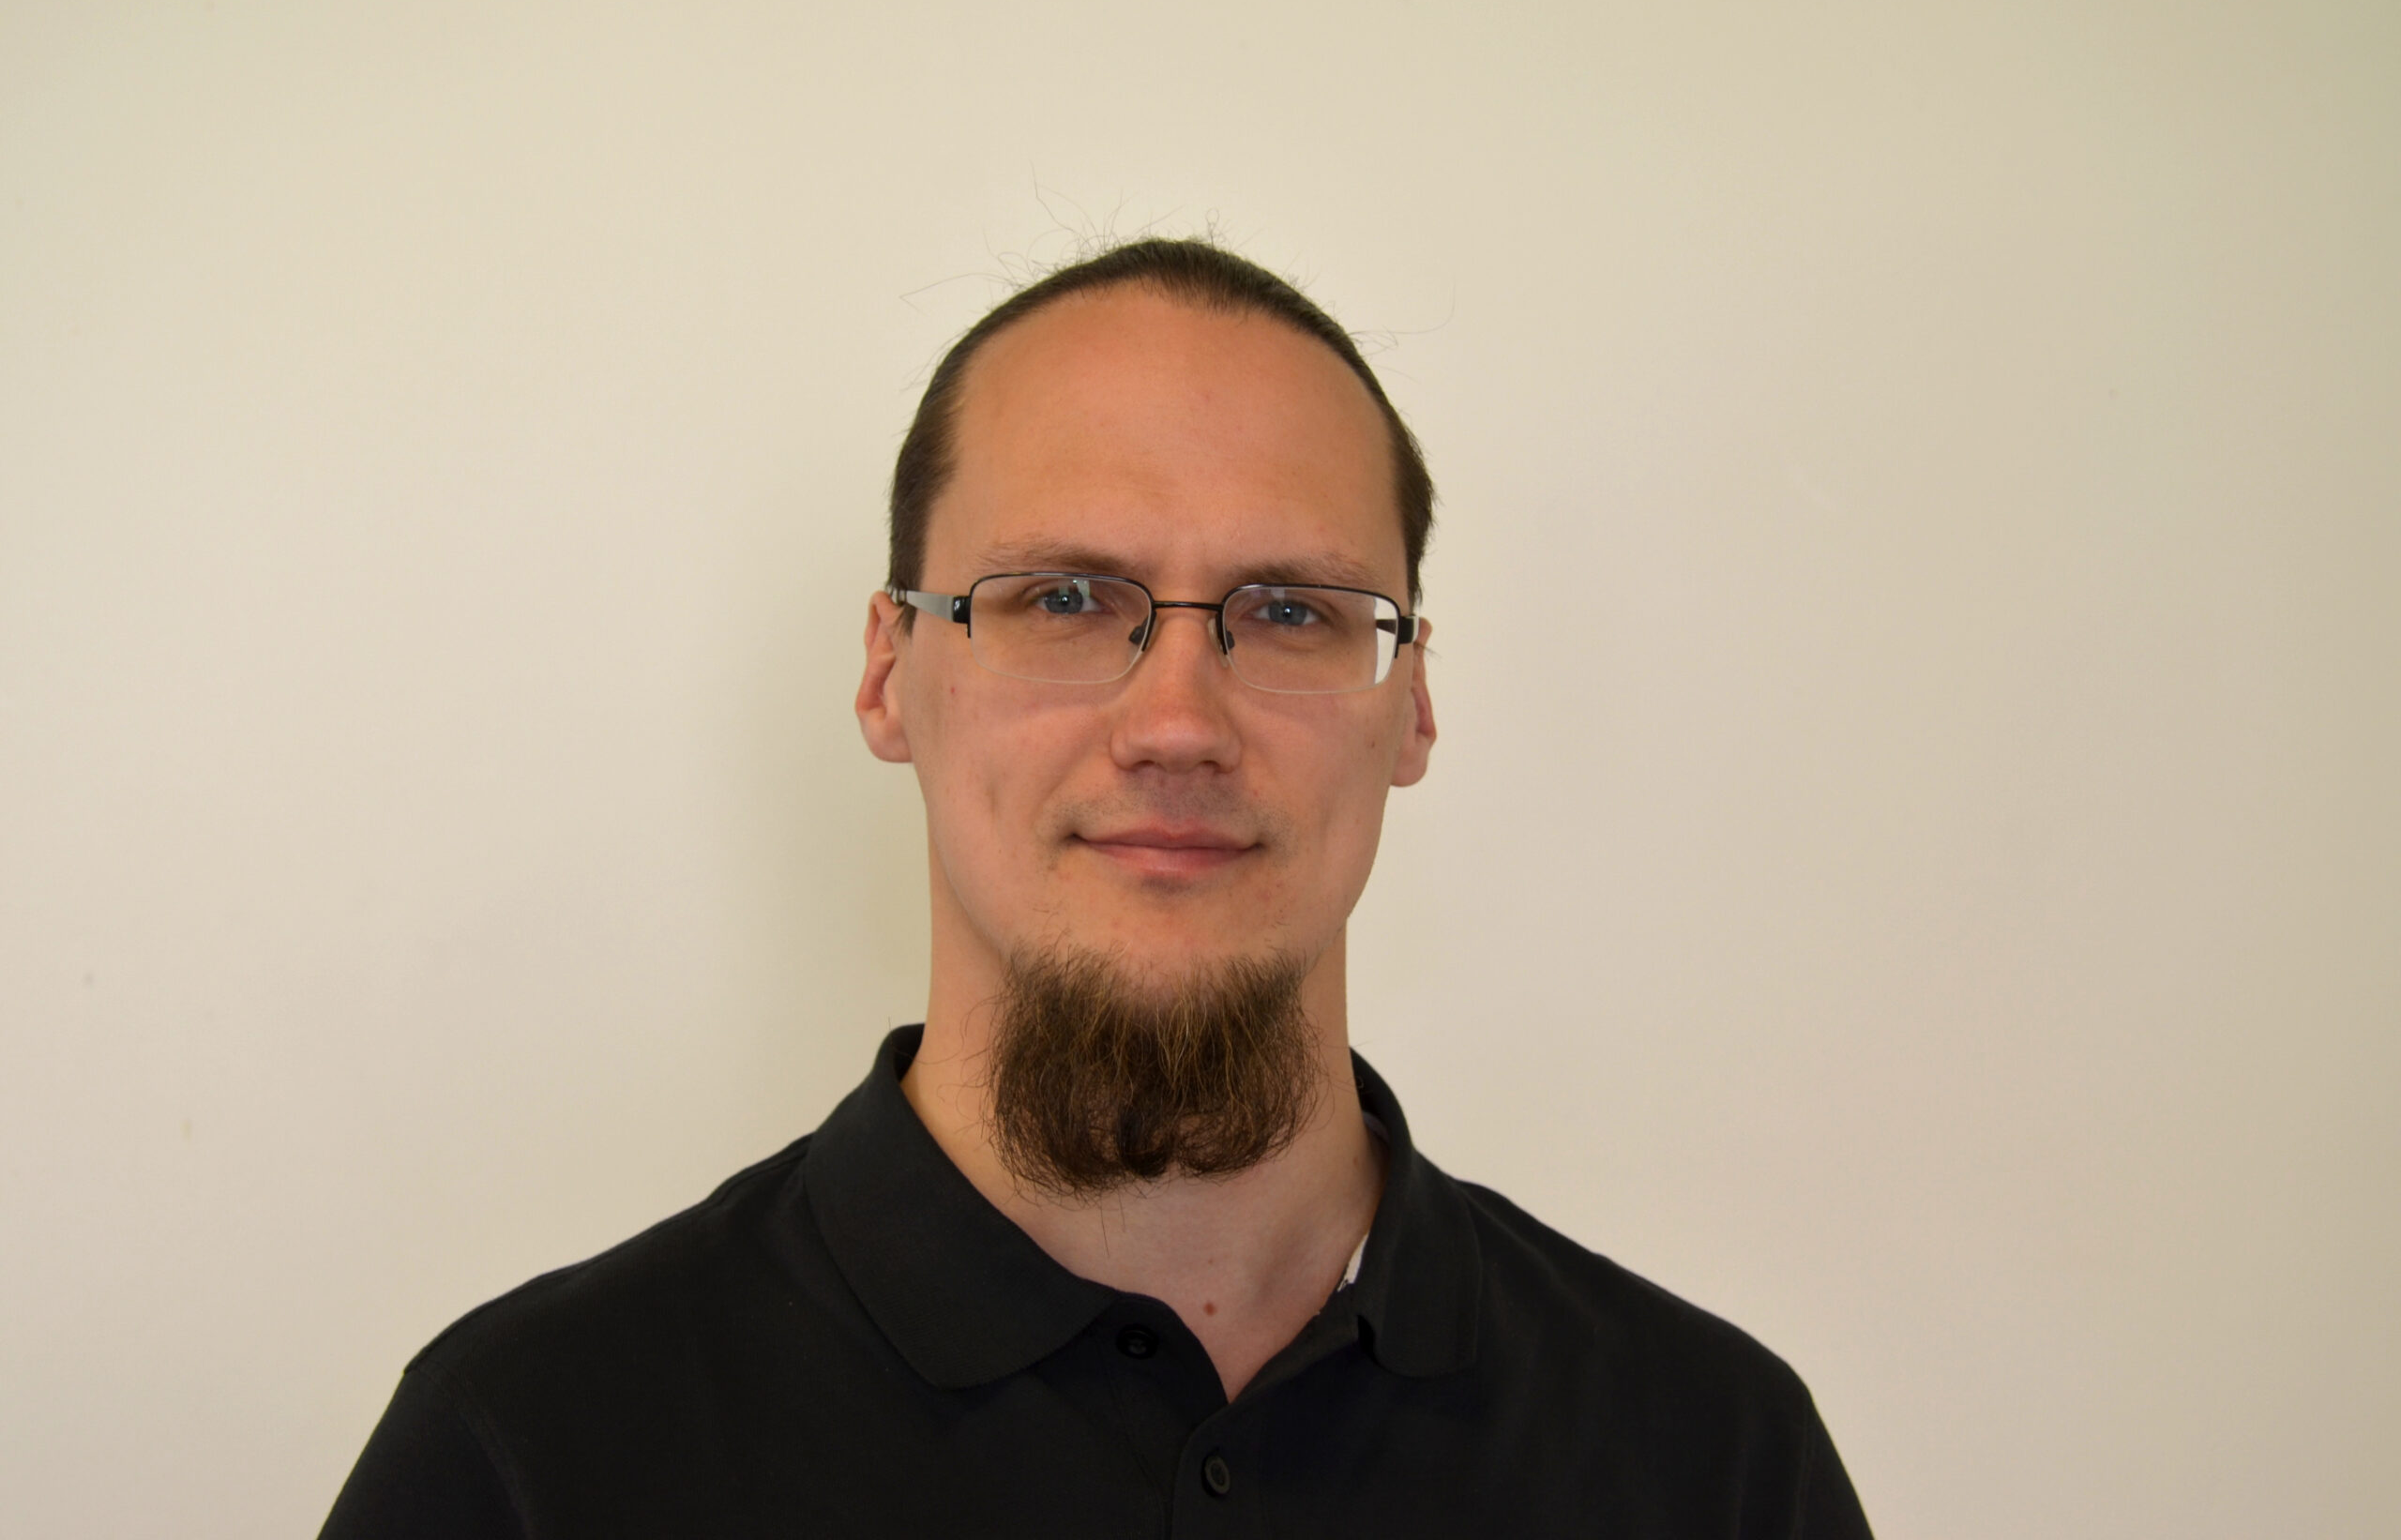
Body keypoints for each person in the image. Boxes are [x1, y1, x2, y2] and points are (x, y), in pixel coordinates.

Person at [320, 238, 1873, 1537]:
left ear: (1411, 705)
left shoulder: (1713, 1464)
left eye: (1292, 611)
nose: (1178, 721)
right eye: (1063, 596)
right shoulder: (535, 1459)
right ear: (889, 673)